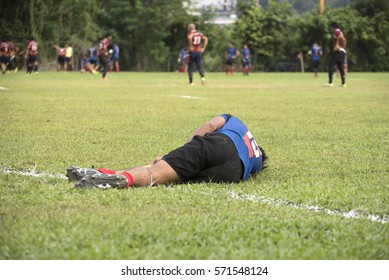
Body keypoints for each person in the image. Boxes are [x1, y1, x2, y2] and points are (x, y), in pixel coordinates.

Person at [66, 114, 267, 189]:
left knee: (159, 170)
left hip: (220, 143)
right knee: (173, 174)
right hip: (233, 173)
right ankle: (106, 175)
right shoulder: (256, 159)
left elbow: (210, 125)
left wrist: (176, 152)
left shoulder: (236, 123)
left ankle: (121, 177)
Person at [324, 22, 347, 87]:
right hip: (342, 52)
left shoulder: (337, 32)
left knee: (331, 66)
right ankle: (343, 83)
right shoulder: (340, 31)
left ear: (332, 27)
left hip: (338, 52)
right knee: (341, 67)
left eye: (330, 27)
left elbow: (341, 38)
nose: (330, 29)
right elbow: (344, 40)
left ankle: (330, 83)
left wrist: (337, 46)